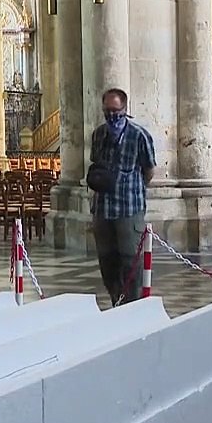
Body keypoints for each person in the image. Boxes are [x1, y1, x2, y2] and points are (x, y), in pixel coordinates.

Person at [89, 87, 157, 304]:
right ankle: (116, 301)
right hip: (103, 209)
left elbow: (149, 171)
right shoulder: (99, 135)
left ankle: (131, 305)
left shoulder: (139, 136)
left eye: (116, 111)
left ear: (125, 110)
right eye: (107, 111)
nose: (112, 117)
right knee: (107, 262)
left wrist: (132, 187)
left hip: (129, 208)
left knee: (130, 262)